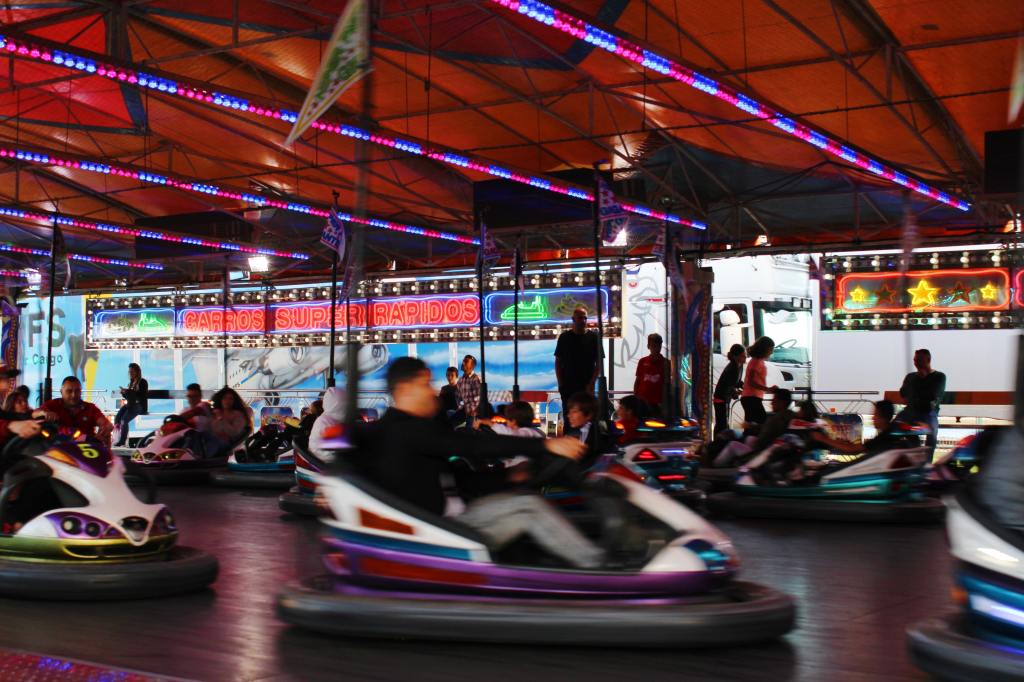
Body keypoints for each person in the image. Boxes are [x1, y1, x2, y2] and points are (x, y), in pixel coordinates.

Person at [350, 357, 603, 569]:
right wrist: (544, 445)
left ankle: (552, 570)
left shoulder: (411, 430)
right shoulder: (403, 430)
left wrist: (510, 476)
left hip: (450, 521)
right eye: (425, 384)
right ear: (405, 389)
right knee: (529, 506)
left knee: (524, 501)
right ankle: (597, 566)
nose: (432, 392)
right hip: (441, 535)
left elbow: (456, 481)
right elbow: (471, 444)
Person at [41, 376, 114, 445]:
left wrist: (106, 427)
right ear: (61, 392)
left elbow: (104, 422)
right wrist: (45, 413)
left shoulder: (90, 408)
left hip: (86, 449)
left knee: (106, 435)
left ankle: (107, 454)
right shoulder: (52, 405)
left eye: (77, 391)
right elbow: (36, 413)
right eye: (69, 391)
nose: (73, 395)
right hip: (59, 448)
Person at [898, 349, 946, 452]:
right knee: (897, 425)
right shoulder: (911, 376)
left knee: (932, 430)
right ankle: (915, 448)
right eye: (915, 360)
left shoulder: (939, 376)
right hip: (910, 411)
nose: (916, 363)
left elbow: (933, 395)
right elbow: (902, 392)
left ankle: (927, 458)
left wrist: (914, 392)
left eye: (919, 360)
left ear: (928, 360)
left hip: (928, 412)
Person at [554, 307, 599, 407]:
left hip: (586, 385)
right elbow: (558, 362)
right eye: (580, 318)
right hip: (568, 386)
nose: (583, 321)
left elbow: (599, 363)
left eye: (585, 318)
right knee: (569, 413)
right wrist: (560, 384)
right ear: (573, 319)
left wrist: (592, 383)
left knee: (586, 412)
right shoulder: (564, 337)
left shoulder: (594, 338)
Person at [192, 387, 251, 457]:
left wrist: (221, 418)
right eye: (225, 398)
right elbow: (211, 429)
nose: (227, 401)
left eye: (230, 398)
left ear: (234, 401)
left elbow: (233, 432)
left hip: (224, 443)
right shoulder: (216, 412)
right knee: (193, 435)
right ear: (220, 399)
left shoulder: (238, 415)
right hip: (211, 439)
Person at [564, 392, 613, 466]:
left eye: (574, 411)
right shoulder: (572, 433)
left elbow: (604, 451)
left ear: (589, 414)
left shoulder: (600, 429)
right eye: (569, 412)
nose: (569, 415)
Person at [740, 336, 776, 426]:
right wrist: (768, 389)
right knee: (760, 422)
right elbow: (751, 382)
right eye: (771, 349)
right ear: (765, 349)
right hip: (751, 398)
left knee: (752, 424)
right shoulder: (756, 362)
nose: (772, 352)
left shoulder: (757, 361)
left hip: (751, 398)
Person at [713, 344, 746, 434]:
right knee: (722, 424)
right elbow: (729, 386)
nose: (745, 358)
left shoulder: (739, 366)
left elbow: (737, 382)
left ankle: (719, 440)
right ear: (735, 357)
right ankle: (718, 440)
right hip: (721, 398)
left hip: (725, 398)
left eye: (745, 355)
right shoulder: (732, 368)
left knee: (722, 423)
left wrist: (744, 387)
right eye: (743, 356)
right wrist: (737, 393)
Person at [634, 333, 670, 414]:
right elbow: (638, 380)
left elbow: (667, 384)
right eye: (653, 346)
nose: (656, 349)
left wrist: (664, 403)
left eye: (658, 346)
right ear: (648, 346)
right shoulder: (642, 361)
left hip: (658, 403)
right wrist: (636, 398)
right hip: (642, 402)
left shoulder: (666, 363)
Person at [114, 363, 148, 446]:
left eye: (132, 371)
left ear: (137, 372)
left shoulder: (142, 382)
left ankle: (122, 441)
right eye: (129, 372)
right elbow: (129, 397)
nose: (130, 373)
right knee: (118, 417)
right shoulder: (131, 382)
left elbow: (142, 396)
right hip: (131, 404)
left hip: (140, 405)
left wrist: (129, 391)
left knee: (124, 420)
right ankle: (116, 437)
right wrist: (124, 393)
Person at [309, 388, 345, 460]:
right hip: (325, 462)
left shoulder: (329, 419)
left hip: (326, 459)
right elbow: (333, 453)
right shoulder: (325, 423)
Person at [455, 355, 482, 426]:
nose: (463, 363)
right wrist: (461, 407)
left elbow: (478, 398)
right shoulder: (460, 380)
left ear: (472, 366)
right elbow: (458, 397)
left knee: (470, 428)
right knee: (448, 424)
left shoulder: (476, 378)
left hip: (474, 413)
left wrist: (472, 410)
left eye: (466, 361)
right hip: (464, 411)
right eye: (463, 361)